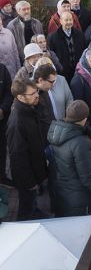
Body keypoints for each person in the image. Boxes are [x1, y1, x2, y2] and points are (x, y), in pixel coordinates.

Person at [47, 100, 91, 216]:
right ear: (85, 119)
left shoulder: (54, 132)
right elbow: (88, 177)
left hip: (60, 193)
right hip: (78, 198)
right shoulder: (82, 144)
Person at [6, 78, 47, 220]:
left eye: (37, 91)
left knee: (31, 201)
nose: (37, 95)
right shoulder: (17, 121)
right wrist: (29, 182)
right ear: (20, 97)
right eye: (32, 93)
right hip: (27, 177)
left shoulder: (29, 110)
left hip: (34, 168)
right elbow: (18, 156)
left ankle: (34, 211)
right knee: (26, 207)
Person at [48, 11, 86, 82]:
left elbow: (84, 51)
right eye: (66, 20)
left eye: (70, 20)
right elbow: (52, 56)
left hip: (78, 71)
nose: (69, 22)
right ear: (61, 21)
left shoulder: (80, 34)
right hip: (62, 73)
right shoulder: (53, 37)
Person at [0, 63, 12, 186]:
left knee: (2, 149)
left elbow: (9, 92)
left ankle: (2, 176)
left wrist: (3, 109)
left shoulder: (2, 69)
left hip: (1, 119)